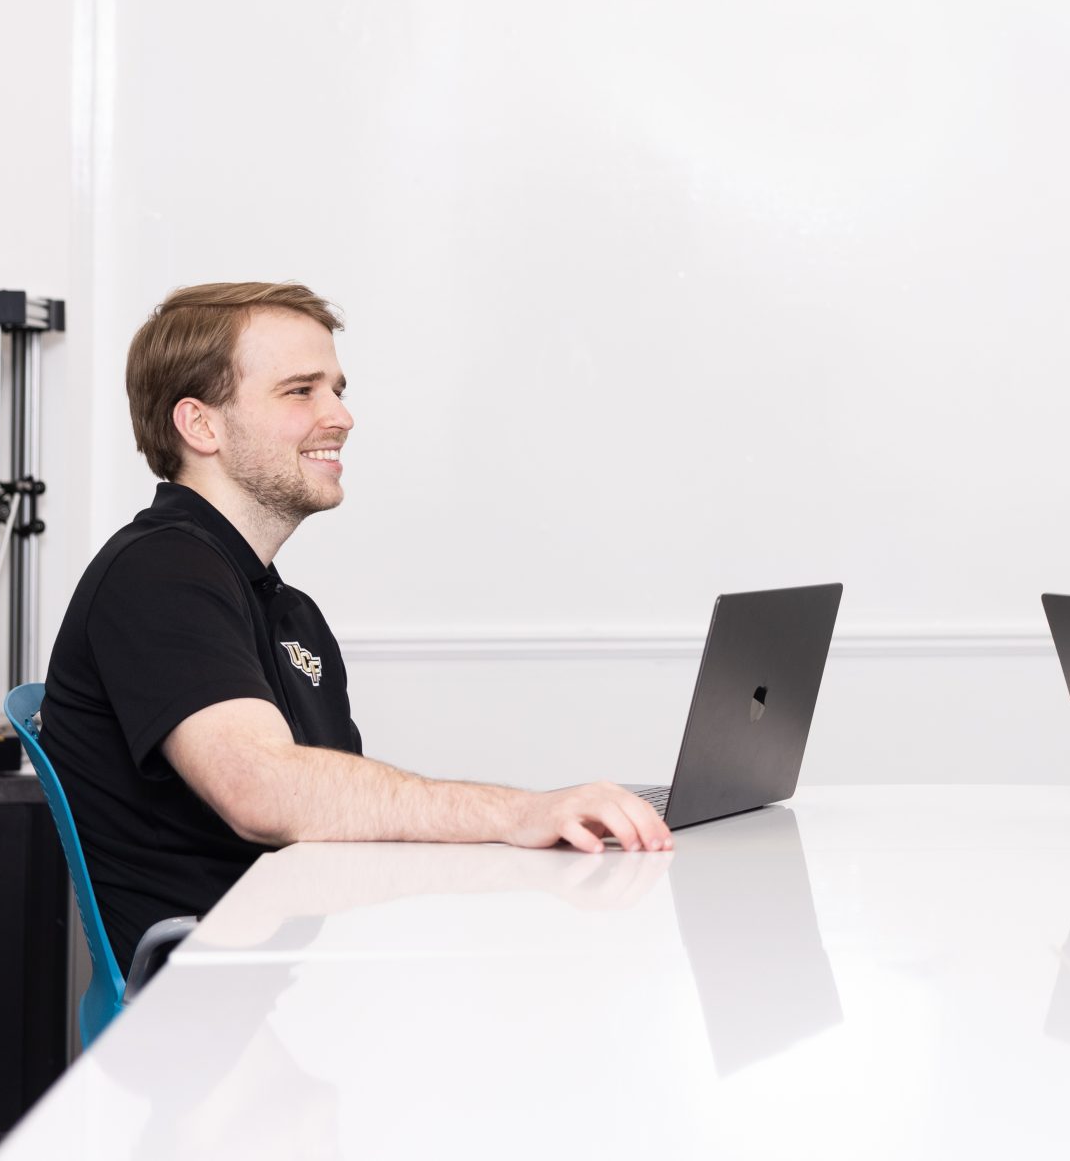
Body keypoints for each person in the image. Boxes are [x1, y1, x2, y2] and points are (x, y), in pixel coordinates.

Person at [43, 282, 671, 973]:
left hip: (279, 980)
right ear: (201, 425)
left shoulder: (287, 612)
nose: (341, 415)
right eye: (300, 391)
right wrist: (516, 813)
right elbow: (263, 791)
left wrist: (530, 847)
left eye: (336, 388)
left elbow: (335, 822)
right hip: (198, 1015)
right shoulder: (158, 575)